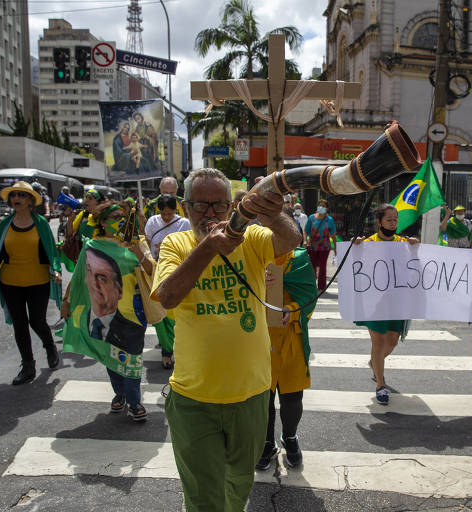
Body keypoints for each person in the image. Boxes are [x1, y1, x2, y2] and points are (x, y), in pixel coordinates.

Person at [151, 168, 301, 511]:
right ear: (185, 207)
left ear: (231, 206)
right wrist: (208, 247)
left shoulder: (250, 239)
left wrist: (271, 212)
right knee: (203, 497)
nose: (210, 214)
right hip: (193, 398)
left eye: (218, 206)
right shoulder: (177, 243)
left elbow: (291, 239)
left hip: (250, 395)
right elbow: (168, 295)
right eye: (200, 206)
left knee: (238, 482)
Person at [63, 203, 151, 422]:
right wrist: (67, 300)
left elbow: (153, 270)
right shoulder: (92, 246)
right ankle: (119, 393)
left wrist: (138, 252)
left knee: (132, 358)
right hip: (102, 313)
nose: (119, 220)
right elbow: (78, 276)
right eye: (114, 217)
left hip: (133, 312)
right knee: (110, 356)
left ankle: (133, 401)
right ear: (102, 222)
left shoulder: (136, 242)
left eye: (122, 216)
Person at [0, 181, 62, 385]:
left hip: (38, 281)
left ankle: (49, 345)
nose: (16, 198)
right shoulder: (4, 224)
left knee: (37, 321)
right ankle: (28, 366)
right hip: (11, 282)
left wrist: (56, 270)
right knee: (19, 324)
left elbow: (51, 251)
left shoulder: (41, 224)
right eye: (13, 195)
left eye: (21, 195)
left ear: (29, 201)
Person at [256, 239, 318, 471]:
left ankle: (290, 437)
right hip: (260, 340)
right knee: (264, 399)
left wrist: (291, 311)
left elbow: (310, 295)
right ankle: (266, 442)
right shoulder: (254, 259)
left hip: (291, 338)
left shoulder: (300, 261)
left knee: (293, 398)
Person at [353, 204, 419, 405]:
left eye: (395, 219)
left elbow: (416, 266)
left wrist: (415, 247)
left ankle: (375, 361)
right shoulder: (368, 243)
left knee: (392, 341)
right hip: (375, 302)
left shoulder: (403, 243)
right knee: (379, 342)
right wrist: (355, 246)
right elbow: (353, 265)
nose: (393, 223)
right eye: (389, 219)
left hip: (397, 301)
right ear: (379, 222)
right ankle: (380, 384)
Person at [144, 194, 190, 369]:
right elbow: (147, 246)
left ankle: (178, 348)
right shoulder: (152, 223)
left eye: (170, 214)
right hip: (156, 274)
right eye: (163, 214)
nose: (166, 217)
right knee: (160, 317)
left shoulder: (184, 224)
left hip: (178, 274)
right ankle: (166, 350)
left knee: (175, 316)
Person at [304, 199, 337, 292]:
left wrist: (335, 248)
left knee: (322, 267)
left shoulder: (329, 220)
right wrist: (305, 240)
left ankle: (321, 288)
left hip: (324, 247)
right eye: (320, 205)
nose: (321, 207)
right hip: (312, 246)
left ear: (327, 208)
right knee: (312, 266)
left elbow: (333, 235)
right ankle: (312, 286)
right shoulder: (311, 218)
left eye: (323, 206)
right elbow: (306, 230)